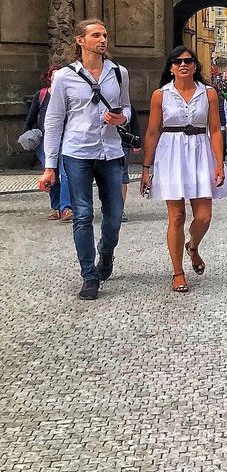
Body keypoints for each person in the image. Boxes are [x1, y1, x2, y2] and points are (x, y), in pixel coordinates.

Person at [38, 20, 131, 301]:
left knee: (114, 216)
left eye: (105, 34)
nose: (103, 40)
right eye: (96, 35)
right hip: (77, 151)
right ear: (80, 40)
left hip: (111, 151)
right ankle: (89, 275)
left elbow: (126, 105)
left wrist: (122, 117)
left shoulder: (118, 73)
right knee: (82, 214)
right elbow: (54, 120)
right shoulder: (65, 77)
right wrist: (50, 165)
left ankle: (106, 253)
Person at [139, 46, 227, 293]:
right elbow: (152, 131)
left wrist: (219, 163)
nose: (183, 65)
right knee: (177, 216)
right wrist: (146, 168)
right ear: (170, 67)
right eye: (178, 62)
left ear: (195, 66)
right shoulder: (161, 95)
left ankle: (193, 246)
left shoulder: (209, 93)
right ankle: (178, 272)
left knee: (204, 217)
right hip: (171, 154)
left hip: (201, 153)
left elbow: (215, 129)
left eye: (188, 61)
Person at [22, 64, 72, 222]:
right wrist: (26, 136)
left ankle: (66, 208)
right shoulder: (41, 94)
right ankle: (55, 207)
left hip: (66, 139)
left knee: (66, 173)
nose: (56, 78)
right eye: (53, 75)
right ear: (49, 77)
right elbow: (31, 116)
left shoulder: (69, 94)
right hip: (45, 141)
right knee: (51, 174)